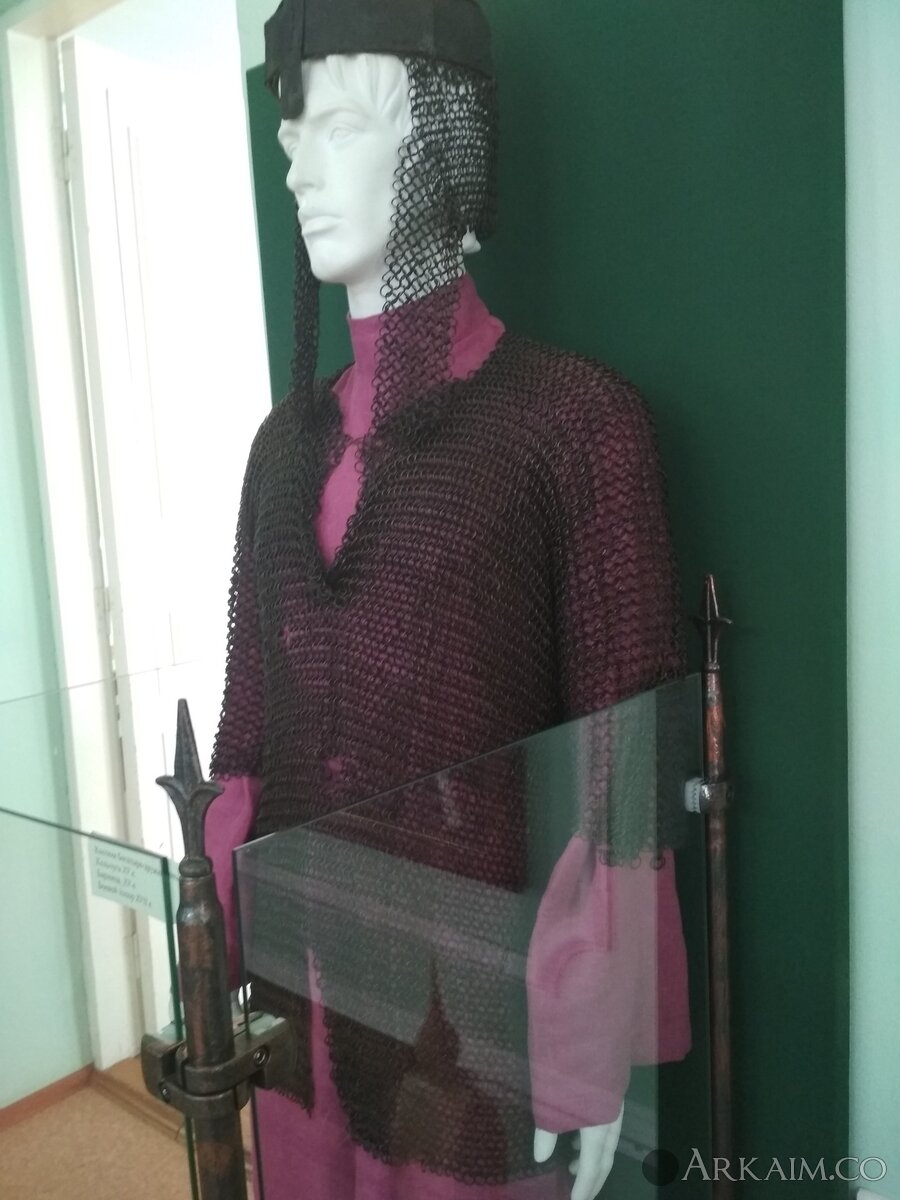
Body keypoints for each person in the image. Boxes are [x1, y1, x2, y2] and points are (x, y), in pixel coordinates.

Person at [205, 2, 691, 1196]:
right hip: (299, 996)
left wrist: (584, 1053)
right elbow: (246, 739)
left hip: (467, 1023)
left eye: (342, 126)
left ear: (444, 139)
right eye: (292, 133)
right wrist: (221, 928)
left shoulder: (573, 425)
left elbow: (618, 780)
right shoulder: (280, 450)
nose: (297, 169)